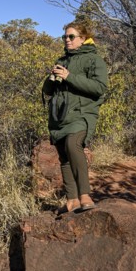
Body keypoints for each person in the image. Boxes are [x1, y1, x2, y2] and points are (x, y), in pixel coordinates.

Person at [42, 21, 108, 213]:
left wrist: (69, 76)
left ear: (83, 38)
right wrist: (52, 77)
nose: (67, 40)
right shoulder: (62, 60)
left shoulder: (95, 60)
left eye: (71, 37)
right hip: (59, 116)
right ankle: (72, 200)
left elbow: (99, 88)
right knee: (64, 155)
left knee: (73, 144)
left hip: (83, 113)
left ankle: (85, 195)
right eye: (65, 37)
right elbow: (47, 91)